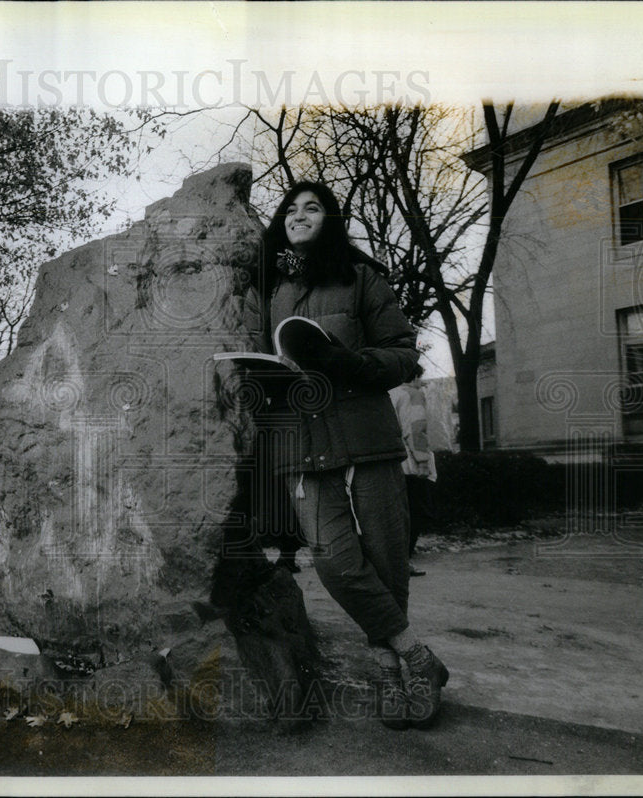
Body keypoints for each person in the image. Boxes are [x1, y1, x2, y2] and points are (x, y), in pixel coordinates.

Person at [241, 181, 449, 729]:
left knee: (384, 556)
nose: (298, 215)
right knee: (334, 560)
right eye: (290, 209)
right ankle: (414, 655)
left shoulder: (361, 277)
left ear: (330, 220)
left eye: (311, 208)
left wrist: (351, 363)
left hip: (365, 435)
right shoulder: (269, 289)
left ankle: (387, 669)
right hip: (300, 443)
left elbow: (405, 354)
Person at [389, 368, 439, 577]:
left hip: (390, 462)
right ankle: (403, 563)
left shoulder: (388, 393)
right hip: (409, 463)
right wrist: (423, 462)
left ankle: (392, 562)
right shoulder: (413, 394)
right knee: (415, 513)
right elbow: (416, 429)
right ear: (415, 376)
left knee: (396, 514)